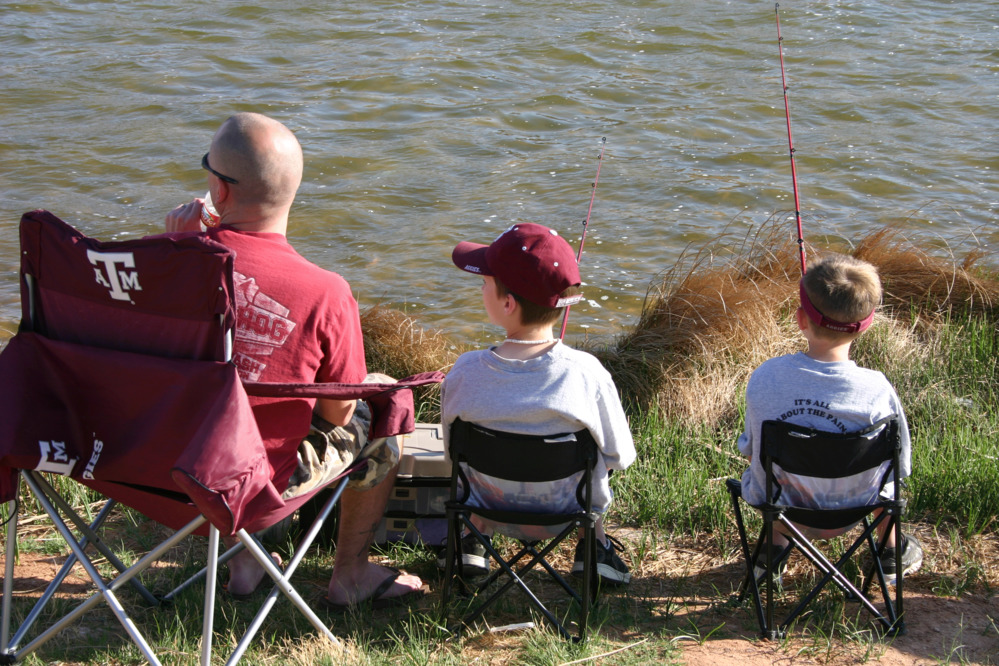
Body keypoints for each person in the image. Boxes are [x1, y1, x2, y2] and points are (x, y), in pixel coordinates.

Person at [164, 112, 426, 609]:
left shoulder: (165, 263)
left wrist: (174, 245)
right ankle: (348, 574)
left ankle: (246, 561)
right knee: (385, 396)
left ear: (218, 193)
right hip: (255, 482)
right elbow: (338, 416)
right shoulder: (325, 291)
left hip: (158, 468)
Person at [440, 223, 637, 584]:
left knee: (479, 465)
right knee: (594, 464)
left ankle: (472, 540)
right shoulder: (585, 373)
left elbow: (453, 453)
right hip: (566, 514)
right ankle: (592, 548)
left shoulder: (466, 370)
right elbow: (620, 456)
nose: (481, 289)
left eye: (485, 282)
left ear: (507, 302)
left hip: (486, 507)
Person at [737, 253, 922, 584]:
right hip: (855, 508)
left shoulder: (766, 377)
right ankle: (891, 552)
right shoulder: (877, 389)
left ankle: (772, 555)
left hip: (787, 509)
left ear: (800, 320)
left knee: (769, 470)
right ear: (867, 324)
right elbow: (900, 463)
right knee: (886, 475)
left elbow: (752, 450)